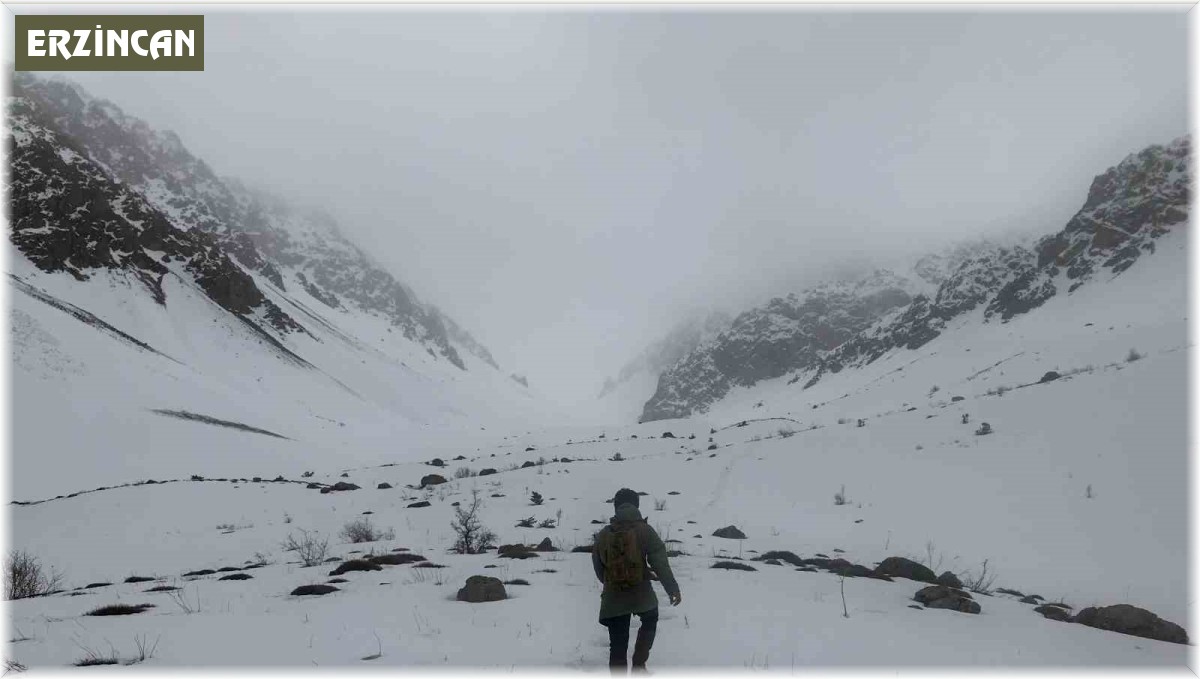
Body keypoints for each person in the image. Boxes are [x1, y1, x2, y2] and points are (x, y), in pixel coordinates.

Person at [592, 487, 682, 674]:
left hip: (613, 598)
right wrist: (672, 588)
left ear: (616, 507)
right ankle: (639, 666)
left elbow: (599, 569)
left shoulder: (603, 534)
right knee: (650, 618)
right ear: (637, 506)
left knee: (617, 644)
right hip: (641, 593)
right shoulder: (645, 530)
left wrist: (612, 583)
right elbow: (660, 564)